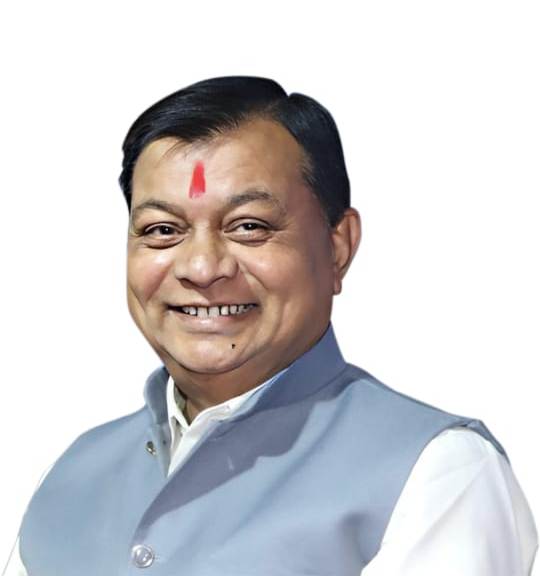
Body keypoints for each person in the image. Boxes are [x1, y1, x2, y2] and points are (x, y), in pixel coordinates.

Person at [3, 76, 538, 576]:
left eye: (249, 226)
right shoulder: (73, 476)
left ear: (338, 247)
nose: (202, 267)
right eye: (162, 230)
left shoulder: (437, 473)